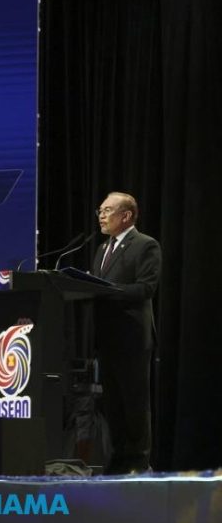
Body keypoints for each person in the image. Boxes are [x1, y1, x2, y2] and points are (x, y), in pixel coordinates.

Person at [90, 191, 161, 474]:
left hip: (132, 339)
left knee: (134, 404)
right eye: (100, 211)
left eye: (107, 210)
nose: (101, 216)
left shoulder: (145, 245)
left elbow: (146, 288)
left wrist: (105, 290)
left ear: (126, 215)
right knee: (113, 404)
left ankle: (139, 463)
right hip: (107, 338)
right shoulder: (101, 249)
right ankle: (118, 461)